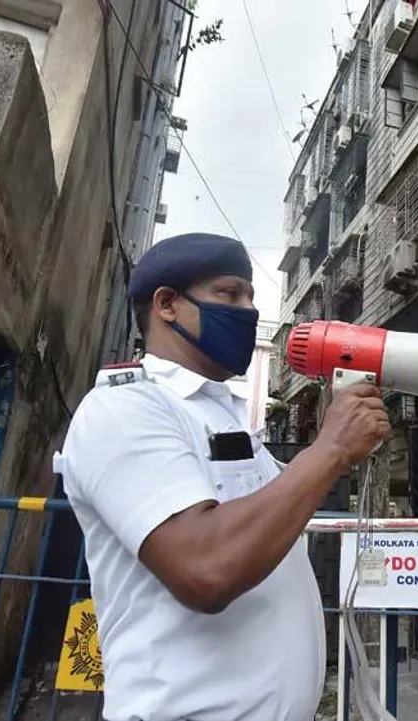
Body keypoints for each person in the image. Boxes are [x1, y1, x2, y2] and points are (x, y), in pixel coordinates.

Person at [58, 232, 390, 721]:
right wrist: (331, 450)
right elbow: (206, 568)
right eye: (229, 294)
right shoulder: (124, 408)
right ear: (167, 304)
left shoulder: (223, 417)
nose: (249, 311)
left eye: (251, 297)